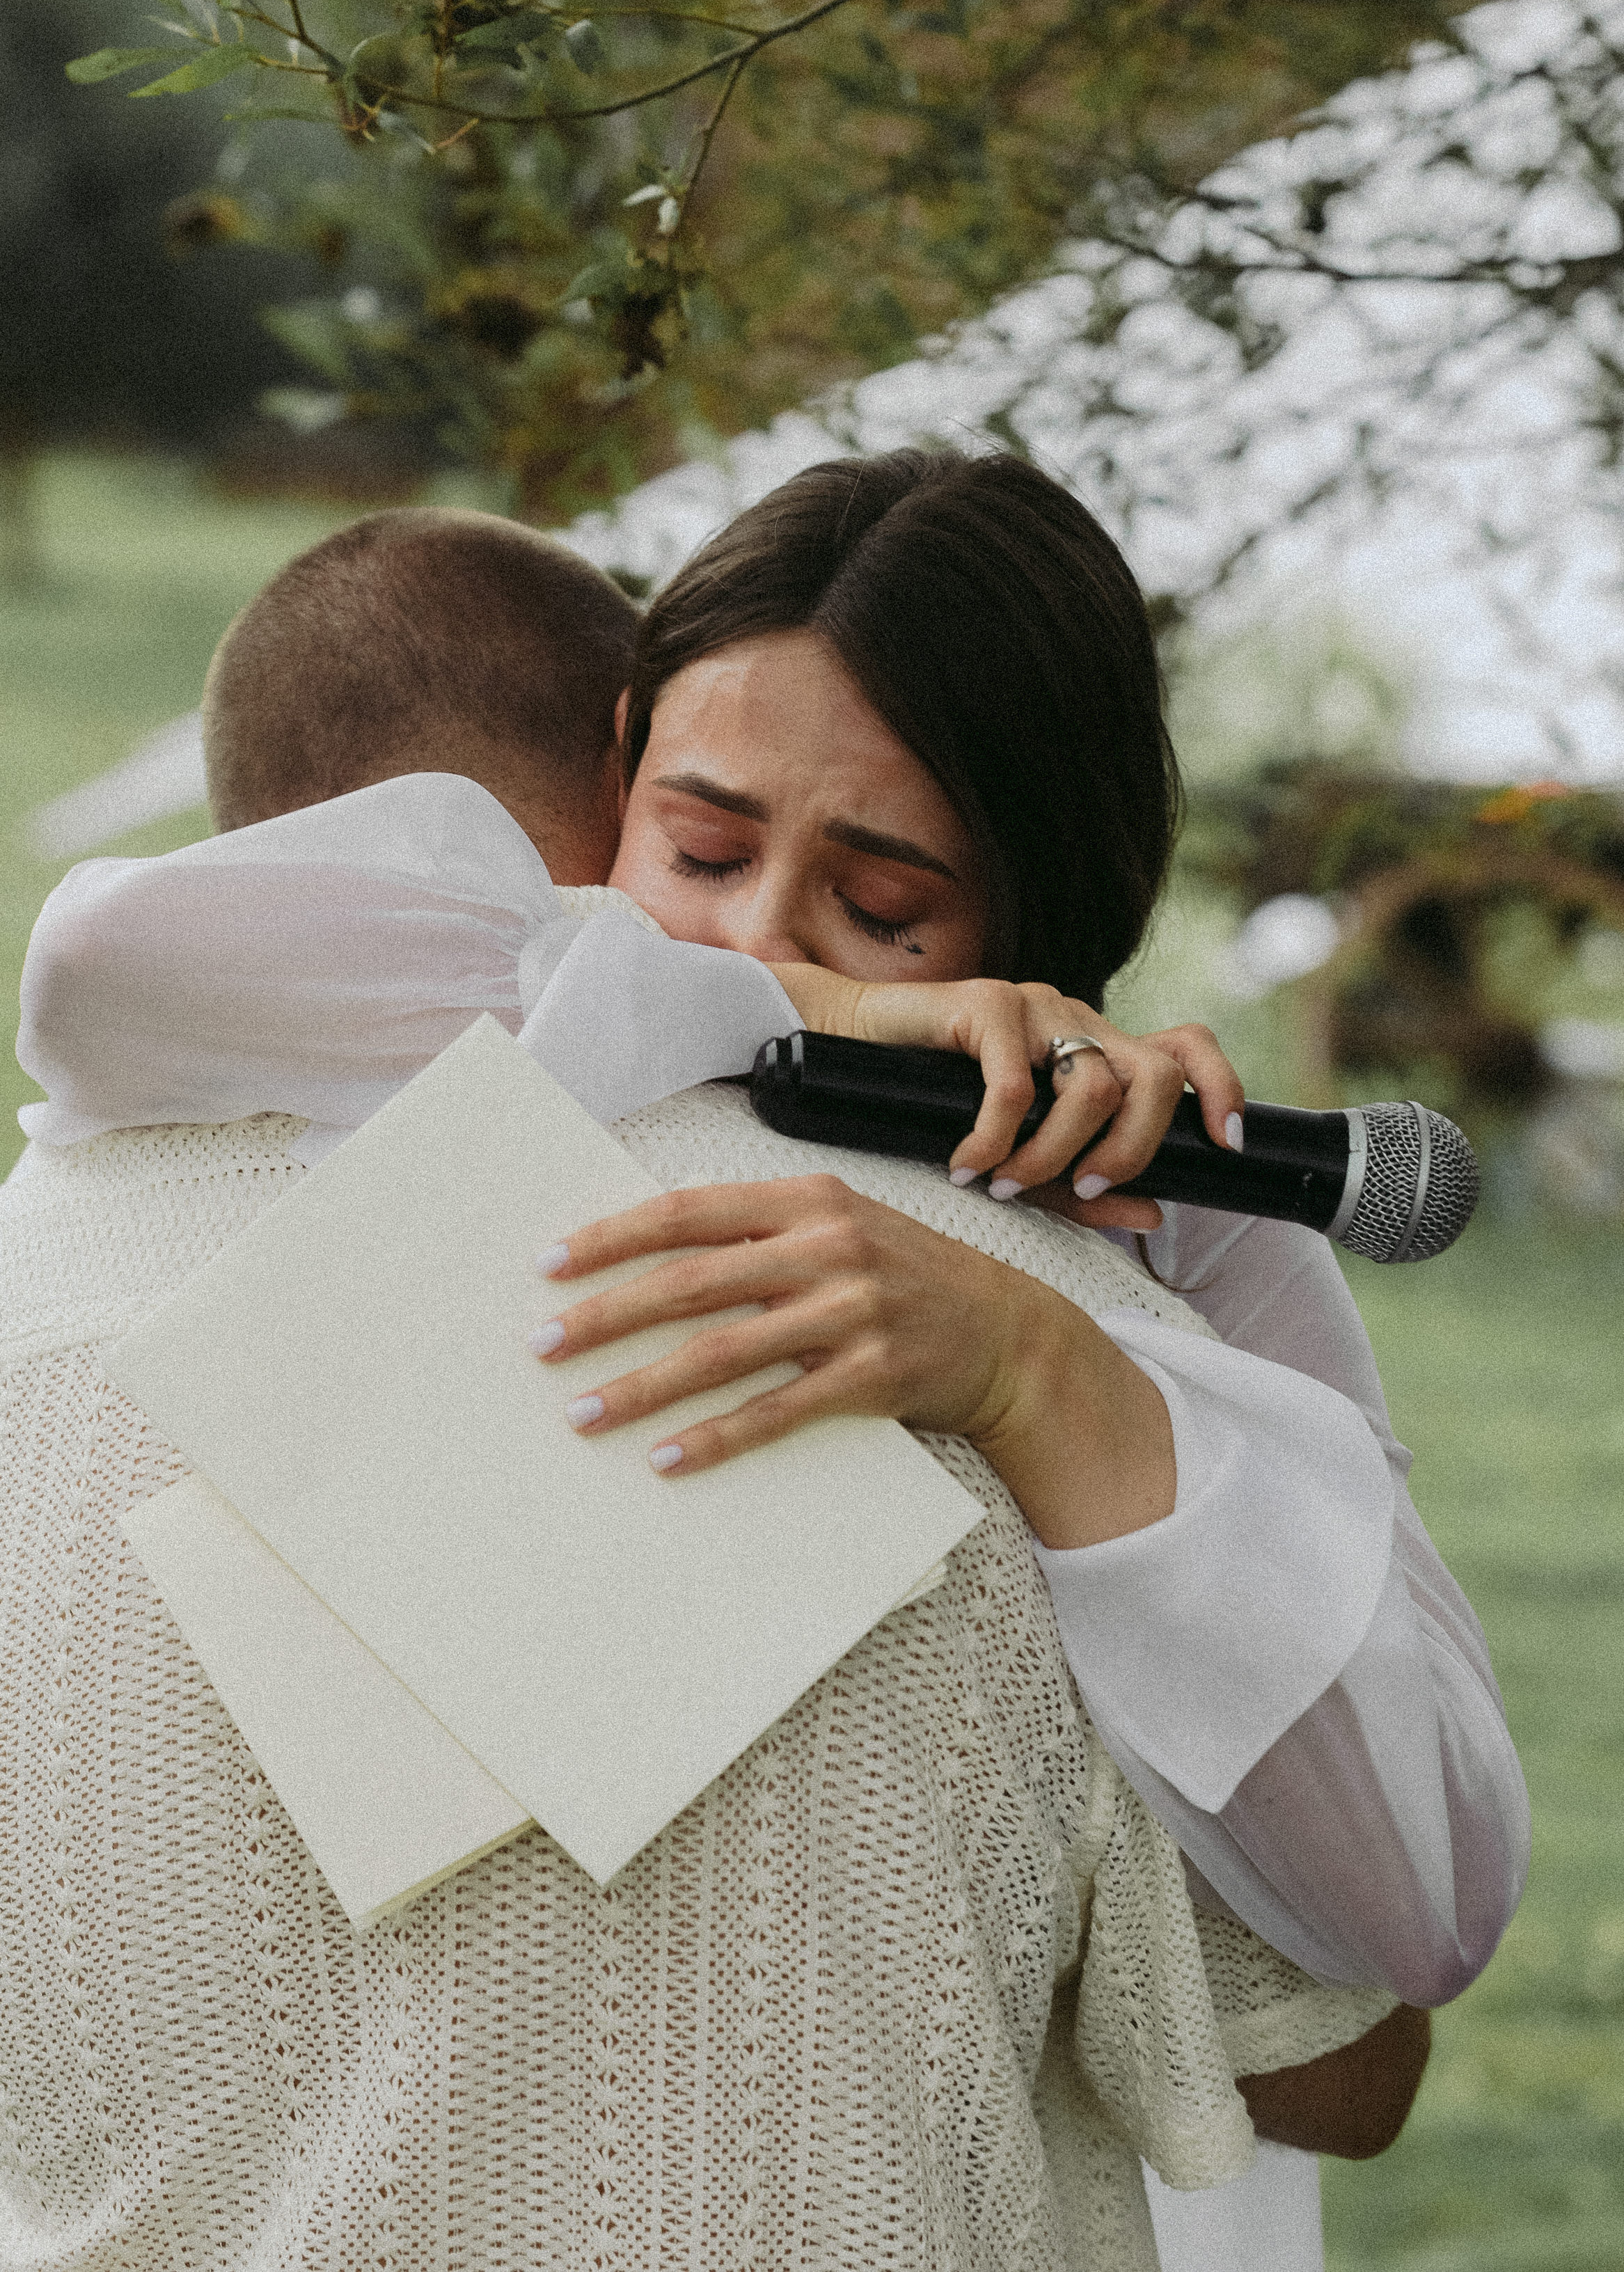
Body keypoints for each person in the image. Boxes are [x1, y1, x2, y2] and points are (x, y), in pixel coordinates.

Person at [5, 480, 1460, 2264]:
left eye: (882, 904)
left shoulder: (32, 1271)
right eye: (699, 854)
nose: (750, 949)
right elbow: (1347, 2061)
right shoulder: (991, 1324)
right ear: (605, 789)